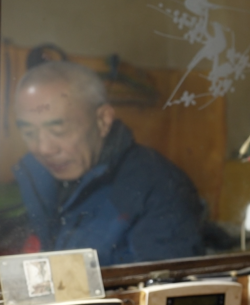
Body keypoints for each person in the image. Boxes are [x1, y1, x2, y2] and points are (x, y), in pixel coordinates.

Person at [11, 61, 204, 265]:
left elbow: (162, 281)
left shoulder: (159, 188)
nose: (44, 149)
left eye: (59, 131)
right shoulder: (33, 175)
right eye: (29, 133)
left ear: (103, 120)